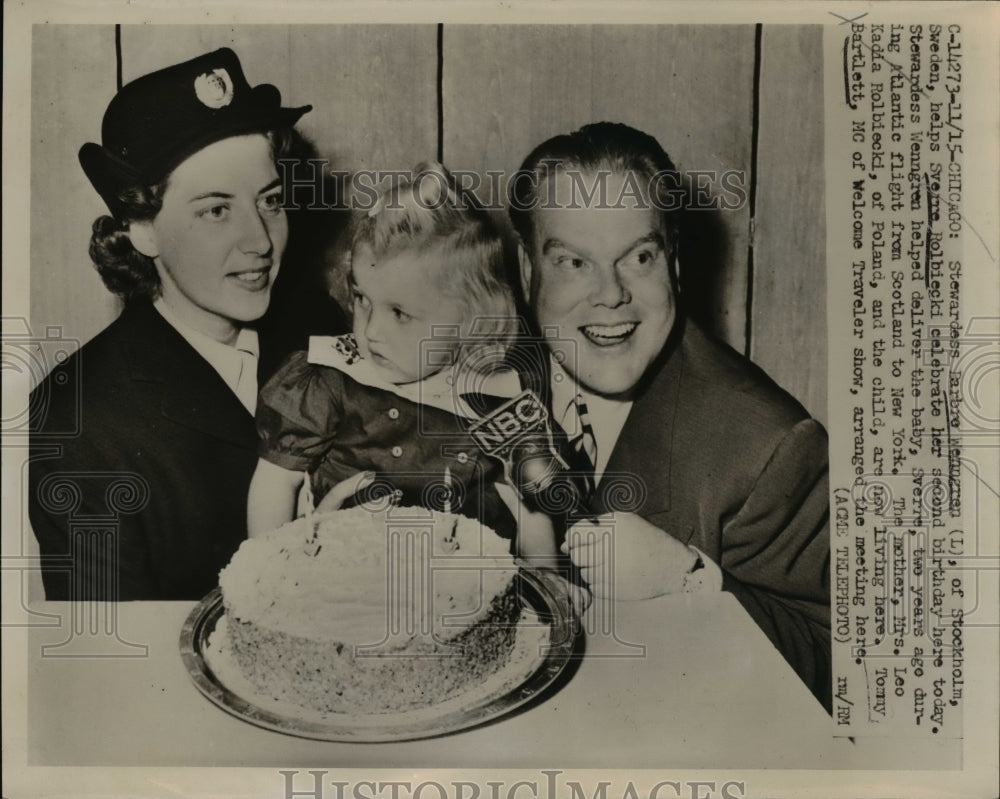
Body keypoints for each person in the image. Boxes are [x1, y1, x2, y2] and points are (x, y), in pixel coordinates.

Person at [505, 122, 832, 709]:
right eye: (573, 263)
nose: (610, 294)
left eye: (639, 257)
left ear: (674, 264)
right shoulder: (478, 380)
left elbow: (849, 670)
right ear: (529, 272)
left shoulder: (770, 445)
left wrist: (692, 583)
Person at [29, 48, 317, 600]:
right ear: (143, 230)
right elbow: (107, 661)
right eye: (216, 210)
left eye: (271, 201)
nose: (260, 241)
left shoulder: (321, 328)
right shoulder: (79, 420)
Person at [247, 163, 521, 538]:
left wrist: (547, 579)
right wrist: (270, 566)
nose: (371, 330)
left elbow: (529, 508)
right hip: (345, 570)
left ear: (469, 319)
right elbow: (276, 481)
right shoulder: (332, 379)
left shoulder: (497, 398)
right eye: (362, 299)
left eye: (400, 313)